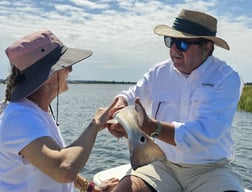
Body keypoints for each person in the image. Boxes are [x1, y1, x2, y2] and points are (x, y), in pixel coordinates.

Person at [108, 9, 244, 192]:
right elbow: (131, 95)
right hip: (163, 163)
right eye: (170, 41)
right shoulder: (159, 72)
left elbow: (205, 134)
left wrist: (154, 128)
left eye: (183, 43)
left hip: (210, 169)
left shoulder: (227, 78)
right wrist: (119, 108)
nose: (174, 49)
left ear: (207, 47)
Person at [0, 30, 119, 192]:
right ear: (48, 76)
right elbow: (63, 169)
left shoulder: (35, 111)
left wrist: (88, 187)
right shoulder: (20, 117)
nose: (70, 70)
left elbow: (48, 160)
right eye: (65, 65)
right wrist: (95, 124)